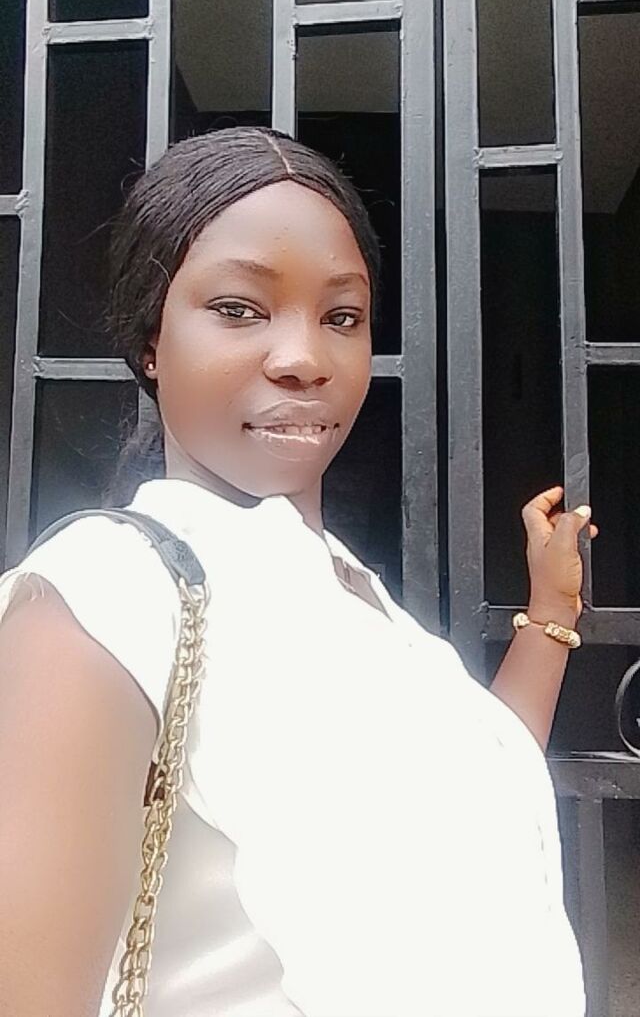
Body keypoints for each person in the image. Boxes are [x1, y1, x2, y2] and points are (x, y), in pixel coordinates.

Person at [0, 128, 596, 1017]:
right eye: (239, 308)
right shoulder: (102, 597)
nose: (304, 358)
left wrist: (551, 612)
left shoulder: (352, 591)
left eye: (341, 317)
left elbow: (473, 790)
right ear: (151, 340)